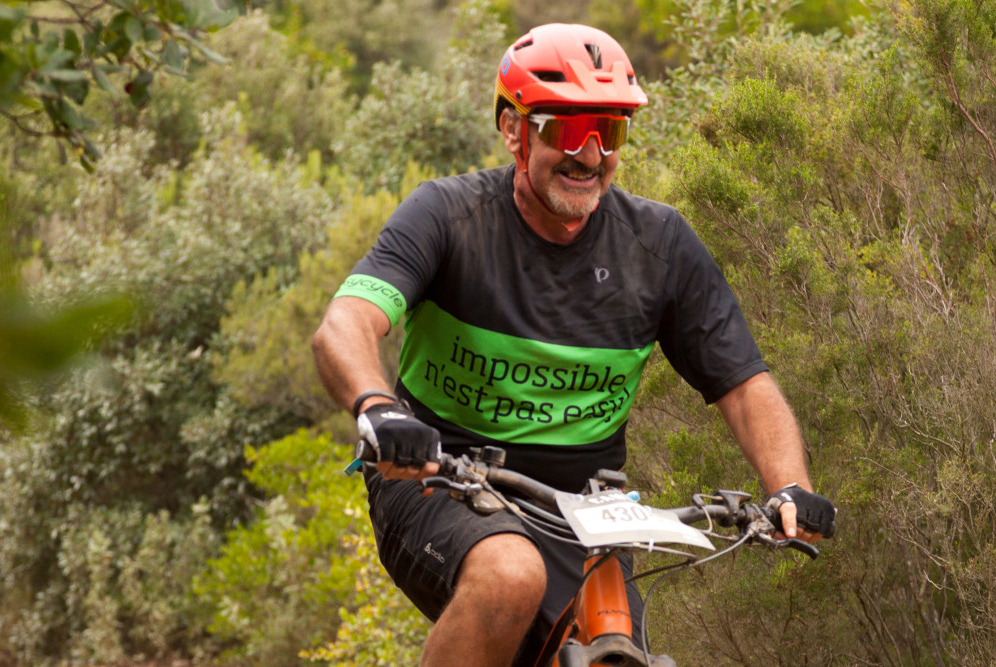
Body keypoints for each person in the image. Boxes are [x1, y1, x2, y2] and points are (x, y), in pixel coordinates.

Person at [311, 23, 835, 667]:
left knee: (612, 647)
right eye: (567, 128)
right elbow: (346, 321)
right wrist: (377, 408)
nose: (589, 154)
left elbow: (744, 384)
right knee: (510, 575)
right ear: (513, 130)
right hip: (437, 479)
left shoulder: (660, 245)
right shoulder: (447, 216)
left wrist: (788, 487)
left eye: (609, 130)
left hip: (588, 508)